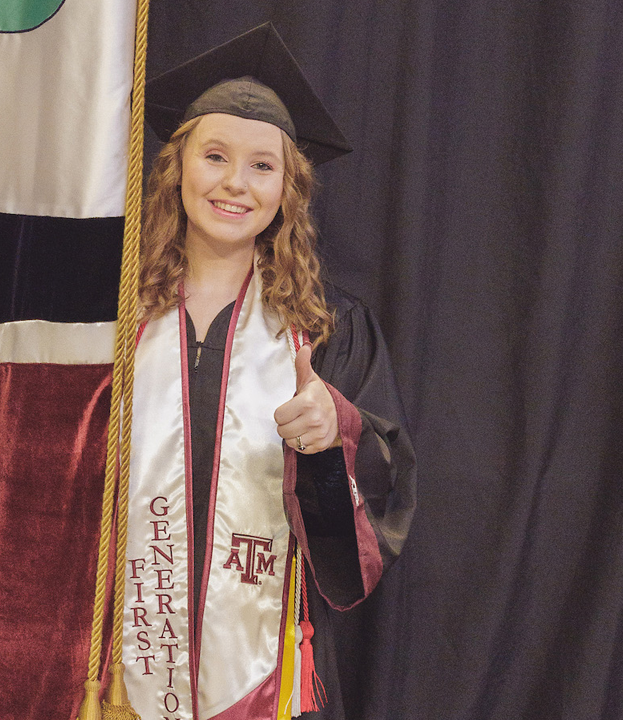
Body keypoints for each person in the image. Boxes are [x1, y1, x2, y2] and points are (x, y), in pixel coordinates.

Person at [118, 24, 417, 720]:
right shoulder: (117, 317)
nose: (234, 183)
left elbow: (386, 489)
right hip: (116, 660)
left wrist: (333, 433)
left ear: (288, 188)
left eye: (262, 166)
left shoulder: (327, 328)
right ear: (177, 168)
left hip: (267, 672)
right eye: (215, 156)